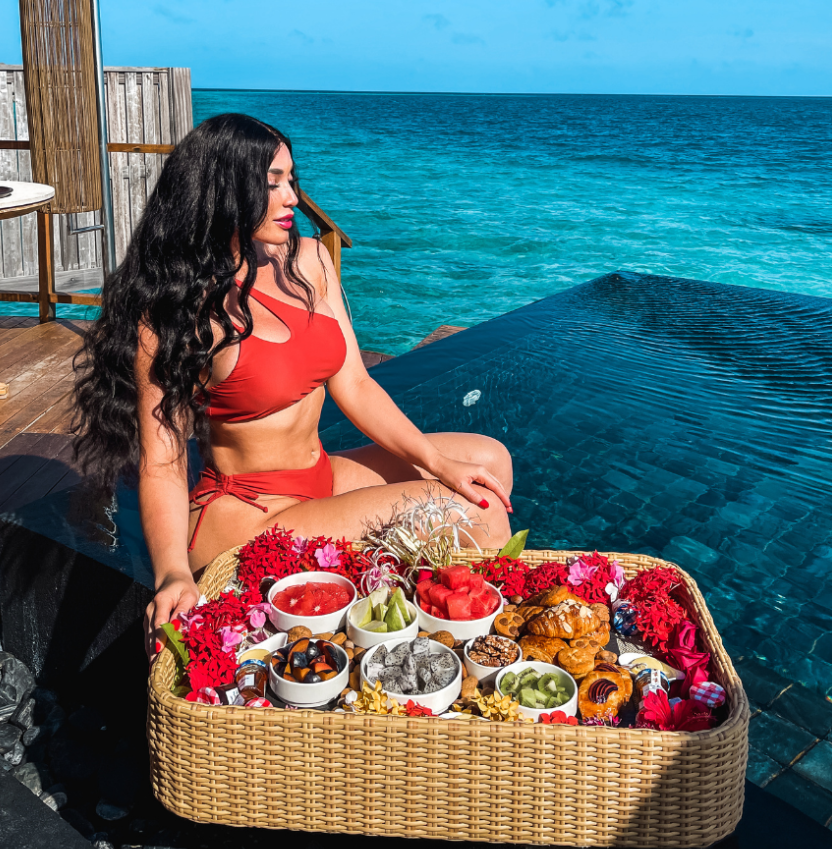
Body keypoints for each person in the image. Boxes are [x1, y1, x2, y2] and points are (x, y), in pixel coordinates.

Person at [72, 113, 514, 663]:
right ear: (223, 192)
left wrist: (435, 460)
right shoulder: (180, 312)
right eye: (272, 183)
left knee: (486, 462)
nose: (292, 199)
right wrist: (171, 576)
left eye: (291, 179)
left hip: (320, 477)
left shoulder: (309, 262)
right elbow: (161, 462)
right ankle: (440, 648)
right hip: (251, 511)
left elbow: (354, 383)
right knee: (480, 513)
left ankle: (424, 624)